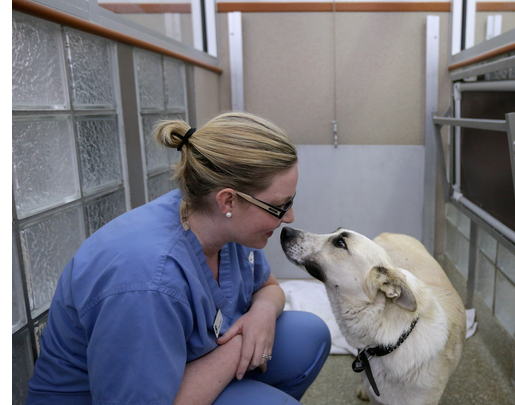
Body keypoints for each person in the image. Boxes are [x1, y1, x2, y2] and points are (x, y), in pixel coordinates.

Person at [26, 111, 331, 405]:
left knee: (309, 335)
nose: (289, 217)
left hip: (184, 369)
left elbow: (268, 287)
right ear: (228, 200)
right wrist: (240, 344)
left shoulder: (216, 220)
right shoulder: (148, 281)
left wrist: (261, 315)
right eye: (279, 206)